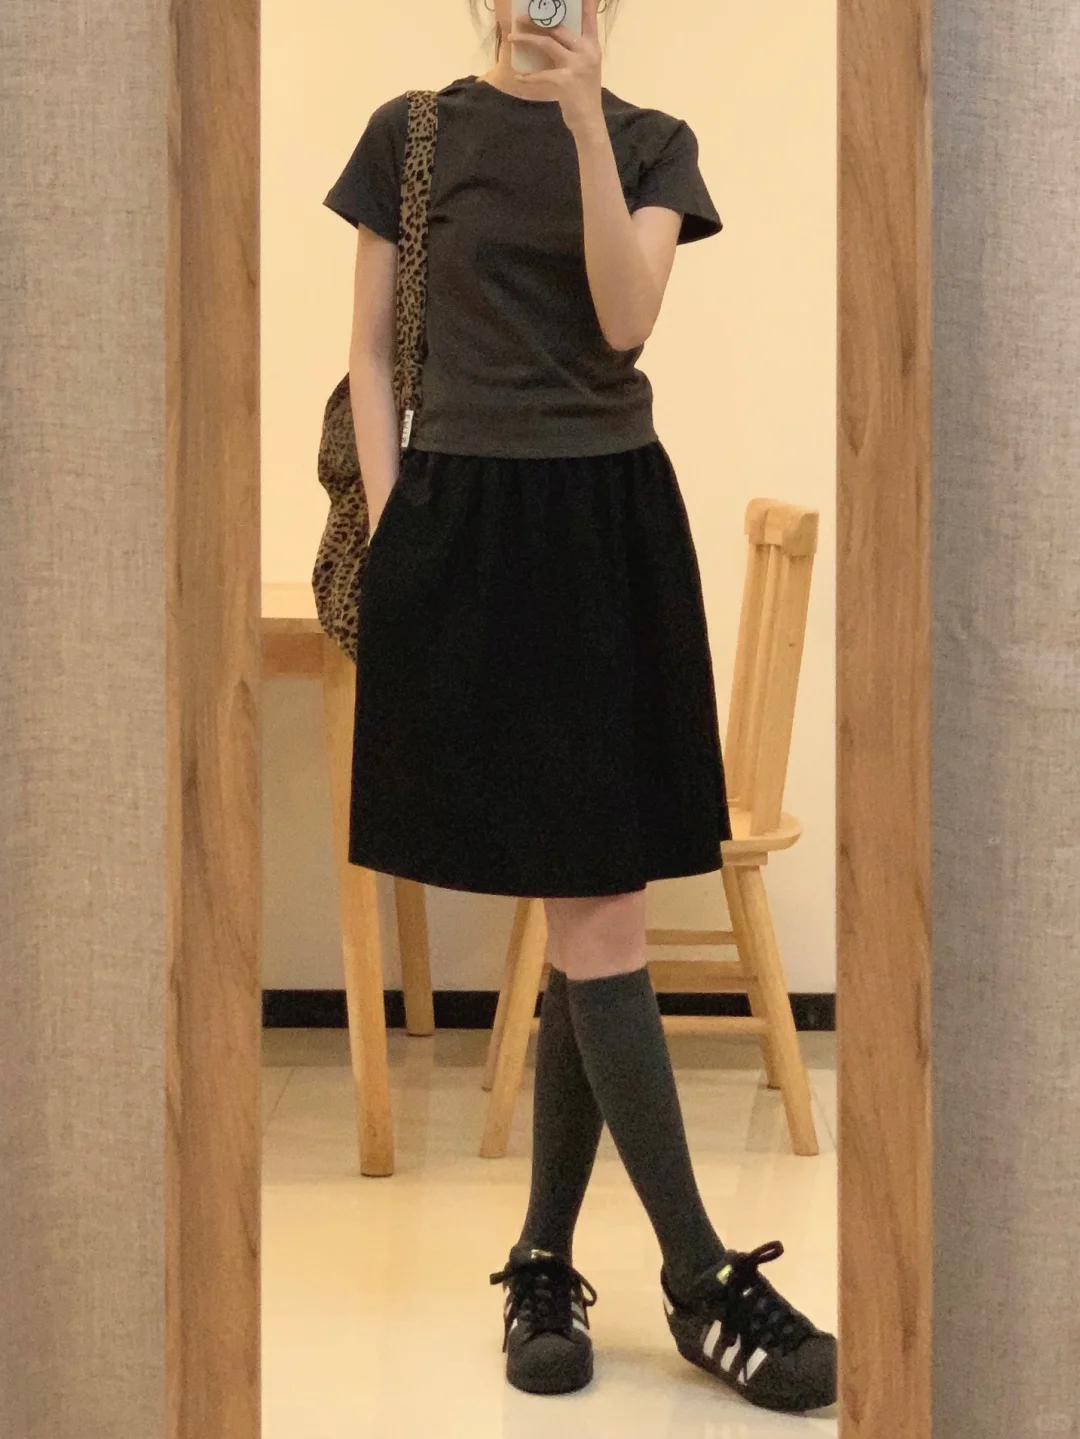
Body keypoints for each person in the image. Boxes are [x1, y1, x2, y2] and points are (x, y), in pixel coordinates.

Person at [322, 0, 836, 1414]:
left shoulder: (653, 142)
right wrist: (398, 531)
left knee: (591, 909)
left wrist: (587, 126)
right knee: (584, 909)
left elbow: (623, 320)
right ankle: (681, 1275)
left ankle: (580, 1265)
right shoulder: (409, 137)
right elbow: (368, 353)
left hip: (606, 530)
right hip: (465, 529)